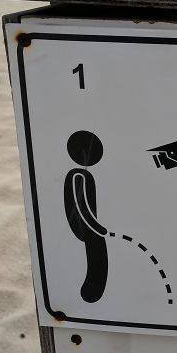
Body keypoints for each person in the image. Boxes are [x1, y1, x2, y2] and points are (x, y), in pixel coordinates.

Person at [63, 130, 108, 303]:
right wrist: (95, 226)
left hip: (88, 226)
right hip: (87, 227)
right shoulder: (78, 175)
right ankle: (91, 292)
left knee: (97, 257)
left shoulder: (86, 175)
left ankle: (92, 291)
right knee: (96, 256)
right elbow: (80, 204)